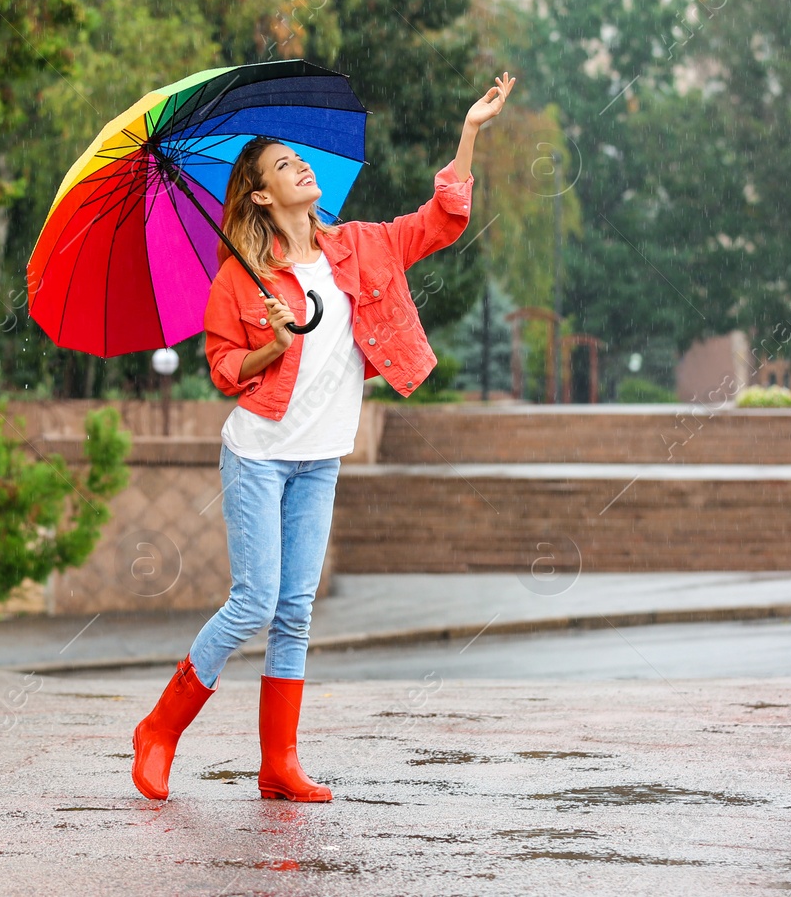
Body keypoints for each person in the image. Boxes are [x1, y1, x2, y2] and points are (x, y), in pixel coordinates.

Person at [130, 72, 516, 802]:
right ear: (261, 197)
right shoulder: (241, 281)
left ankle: (278, 762)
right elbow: (220, 369)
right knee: (256, 599)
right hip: (258, 454)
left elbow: (440, 220)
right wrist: (271, 347)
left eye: (298, 160)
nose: (299, 166)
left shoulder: (363, 247)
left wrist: (469, 133)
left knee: (296, 608)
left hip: (318, 457)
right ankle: (160, 729)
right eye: (282, 166)